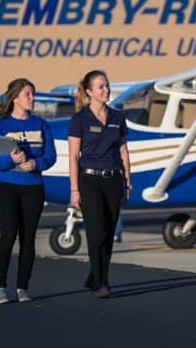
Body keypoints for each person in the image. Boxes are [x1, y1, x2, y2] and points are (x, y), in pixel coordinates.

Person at [0, 78, 56, 304]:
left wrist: (36, 164)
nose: (32, 98)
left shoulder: (41, 125)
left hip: (33, 187)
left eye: (33, 94)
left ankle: (22, 288)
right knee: (8, 235)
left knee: (29, 239)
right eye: (28, 94)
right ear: (15, 98)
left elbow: (51, 156)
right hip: (7, 186)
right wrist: (10, 159)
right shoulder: (2, 127)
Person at [68, 70, 131, 298]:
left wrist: (127, 181)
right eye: (101, 87)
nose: (106, 90)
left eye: (107, 85)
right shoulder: (79, 119)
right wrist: (74, 189)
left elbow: (123, 151)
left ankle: (96, 273)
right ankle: (101, 283)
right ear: (89, 92)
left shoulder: (118, 118)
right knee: (96, 232)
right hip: (89, 180)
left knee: (109, 232)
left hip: (113, 180)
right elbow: (73, 157)